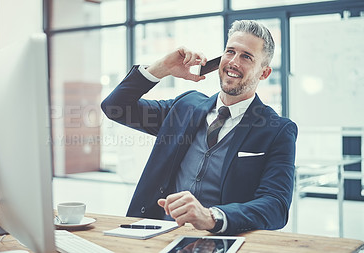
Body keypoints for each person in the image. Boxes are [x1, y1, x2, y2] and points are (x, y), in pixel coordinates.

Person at [101, 20, 298, 235]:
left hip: (223, 240)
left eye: (246, 56)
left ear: (264, 73)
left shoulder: (277, 130)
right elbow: (115, 107)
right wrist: (161, 69)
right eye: (230, 51)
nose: (233, 62)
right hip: (159, 233)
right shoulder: (184, 106)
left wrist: (212, 216)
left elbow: (276, 206)